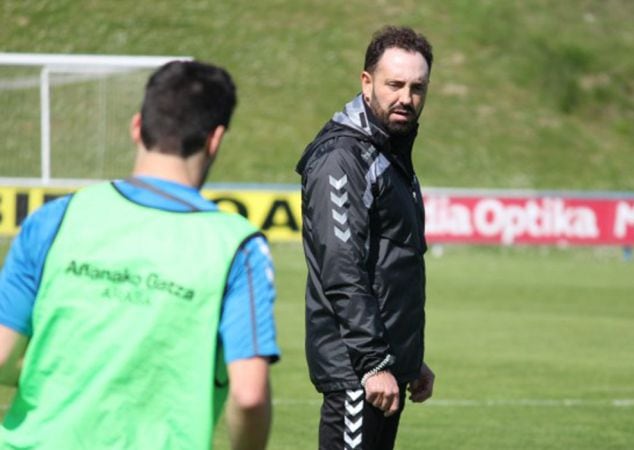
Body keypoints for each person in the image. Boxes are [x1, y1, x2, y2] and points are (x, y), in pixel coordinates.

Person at [0, 61, 279, 450]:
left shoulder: (55, 218)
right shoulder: (238, 246)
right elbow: (249, 396)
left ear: (137, 127)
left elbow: (3, 355)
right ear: (215, 139)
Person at [295, 25, 436, 450]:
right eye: (394, 84)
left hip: (382, 368)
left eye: (417, 87)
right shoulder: (343, 158)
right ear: (366, 81)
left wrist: (409, 358)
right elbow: (343, 268)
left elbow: (389, 267)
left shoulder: (389, 152)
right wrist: (374, 361)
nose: (405, 98)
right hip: (358, 371)